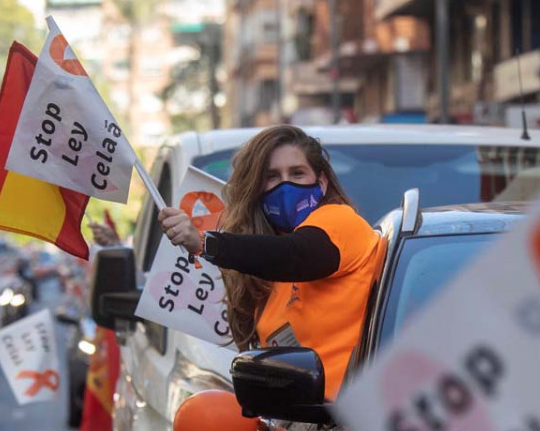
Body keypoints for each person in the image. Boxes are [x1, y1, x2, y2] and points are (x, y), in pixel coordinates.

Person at [158, 125, 383, 399]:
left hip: (353, 423)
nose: (286, 185)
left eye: (297, 173)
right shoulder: (264, 269)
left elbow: (296, 255)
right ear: (256, 187)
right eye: (272, 177)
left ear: (321, 182)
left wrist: (205, 243)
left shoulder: (339, 221)